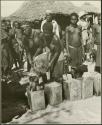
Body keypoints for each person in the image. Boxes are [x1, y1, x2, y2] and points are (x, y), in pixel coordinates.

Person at [40, 10, 61, 79]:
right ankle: (44, 78)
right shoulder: (43, 22)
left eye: (49, 15)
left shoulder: (54, 23)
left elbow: (57, 33)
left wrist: (56, 40)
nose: (48, 16)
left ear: (51, 16)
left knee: (54, 61)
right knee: (45, 60)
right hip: (46, 40)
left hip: (52, 39)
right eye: (47, 15)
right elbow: (42, 32)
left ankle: (53, 76)